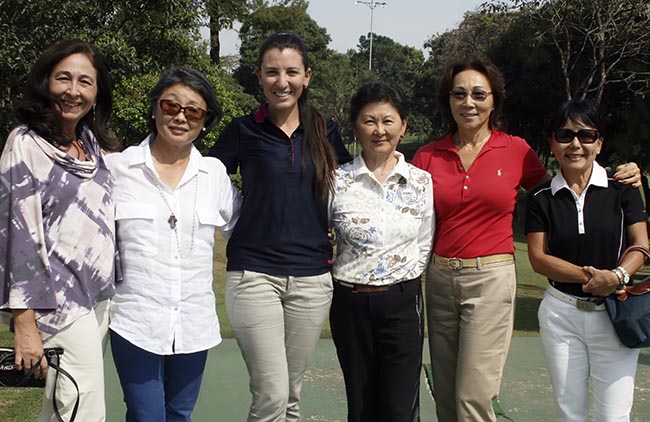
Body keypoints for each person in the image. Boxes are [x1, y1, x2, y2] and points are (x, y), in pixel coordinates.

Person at [411, 59, 643, 422]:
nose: (468, 102)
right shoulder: (428, 155)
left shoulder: (515, 150)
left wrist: (618, 175)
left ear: (493, 101)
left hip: (490, 279)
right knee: (445, 392)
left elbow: (566, 183)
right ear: (449, 100)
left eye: (478, 94)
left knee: (474, 396)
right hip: (439, 280)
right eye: (459, 94)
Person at [208, 32, 353, 422]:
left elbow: (352, 190)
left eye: (291, 72)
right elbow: (203, 179)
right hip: (254, 275)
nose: (281, 81)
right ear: (259, 76)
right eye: (272, 72)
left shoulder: (326, 131)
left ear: (307, 76)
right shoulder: (243, 130)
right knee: (271, 393)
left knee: (290, 394)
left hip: (312, 278)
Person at [106, 67, 241, 422]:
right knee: (146, 415)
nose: (181, 116)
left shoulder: (214, 175)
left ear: (205, 119)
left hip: (194, 322)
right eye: (171, 106)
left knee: (179, 415)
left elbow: (242, 232)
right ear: (154, 109)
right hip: (135, 320)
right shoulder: (117, 169)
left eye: (193, 110)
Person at [0, 39, 120, 421]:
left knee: (60, 410)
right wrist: (24, 324)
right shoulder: (25, 144)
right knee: (84, 411)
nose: (73, 91)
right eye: (63, 78)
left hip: (97, 301)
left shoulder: (90, 144)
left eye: (85, 81)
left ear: (97, 91)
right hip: (57, 306)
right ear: (44, 82)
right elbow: (16, 235)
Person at [526, 100, 648, 421]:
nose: (575, 144)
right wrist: (593, 277)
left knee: (614, 416)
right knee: (570, 414)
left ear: (599, 142)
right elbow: (538, 258)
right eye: (565, 135)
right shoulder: (541, 197)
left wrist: (618, 276)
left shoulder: (622, 189)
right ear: (552, 144)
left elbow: (642, 245)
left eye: (586, 135)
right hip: (561, 315)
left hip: (614, 314)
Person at [328, 82, 434, 422]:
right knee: (360, 405)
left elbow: (424, 242)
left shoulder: (420, 182)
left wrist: (397, 277)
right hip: (350, 304)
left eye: (388, 121)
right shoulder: (336, 180)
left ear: (403, 125)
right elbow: (323, 236)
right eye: (369, 121)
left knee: (399, 407)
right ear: (355, 126)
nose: (379, 130)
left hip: (402, 303)